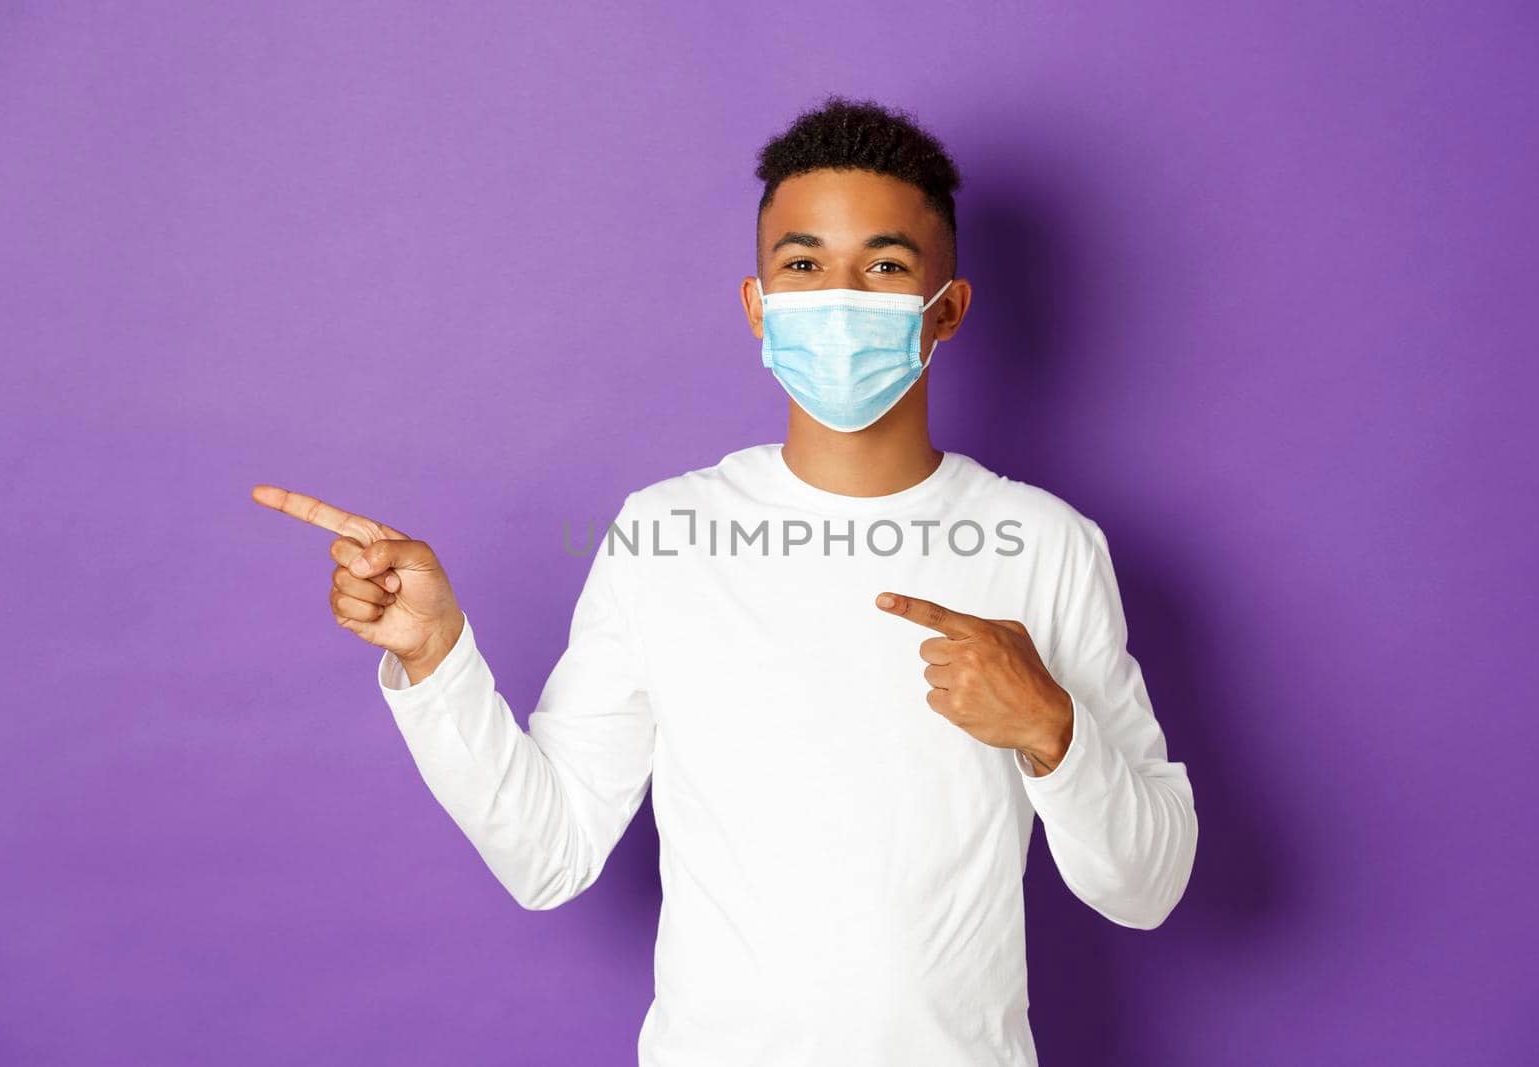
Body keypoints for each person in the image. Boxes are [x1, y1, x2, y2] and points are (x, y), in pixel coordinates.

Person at [251, 95, 1197, 1067]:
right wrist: (436, 655)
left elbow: (1148, 882)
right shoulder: (663, 534)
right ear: (757, 306)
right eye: (802, 264)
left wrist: (1051, 726)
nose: (839, 295)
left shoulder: (1043, 544)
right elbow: (548, 852)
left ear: (945, 309)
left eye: (883, 265)